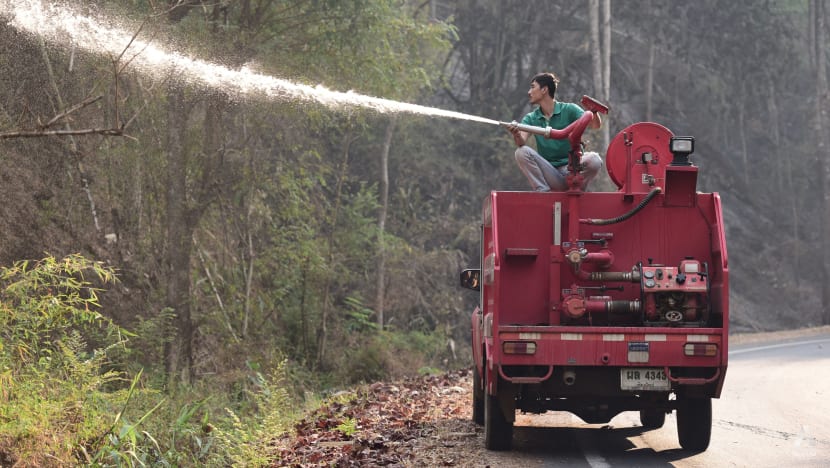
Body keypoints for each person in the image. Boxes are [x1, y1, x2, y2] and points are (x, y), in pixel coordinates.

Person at [507, 72, 603, 191]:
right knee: (521, 152)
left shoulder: (569, 109)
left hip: (573, 170)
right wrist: (516, 134)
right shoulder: (531, 118)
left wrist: (593, 112)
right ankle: (543, 192)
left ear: (544, 90)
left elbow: (595, 126)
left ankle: (577, 188)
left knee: (594, 160)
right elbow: (521, 142)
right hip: (551, 174)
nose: (529, 92)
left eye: (532, 87)